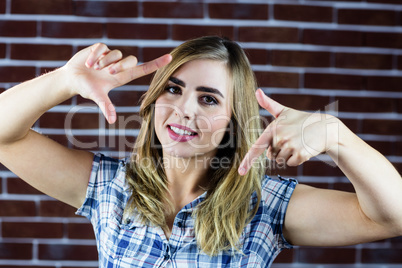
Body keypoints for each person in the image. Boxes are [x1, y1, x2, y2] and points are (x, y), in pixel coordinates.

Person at [0, 36, 401, 267]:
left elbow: (390, 218)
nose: (184, 109)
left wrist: (338, 136)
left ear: (233, 120)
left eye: (208, 99)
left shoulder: (265, 205)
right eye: (173, 89)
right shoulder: (110, 185)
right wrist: (64, 80)